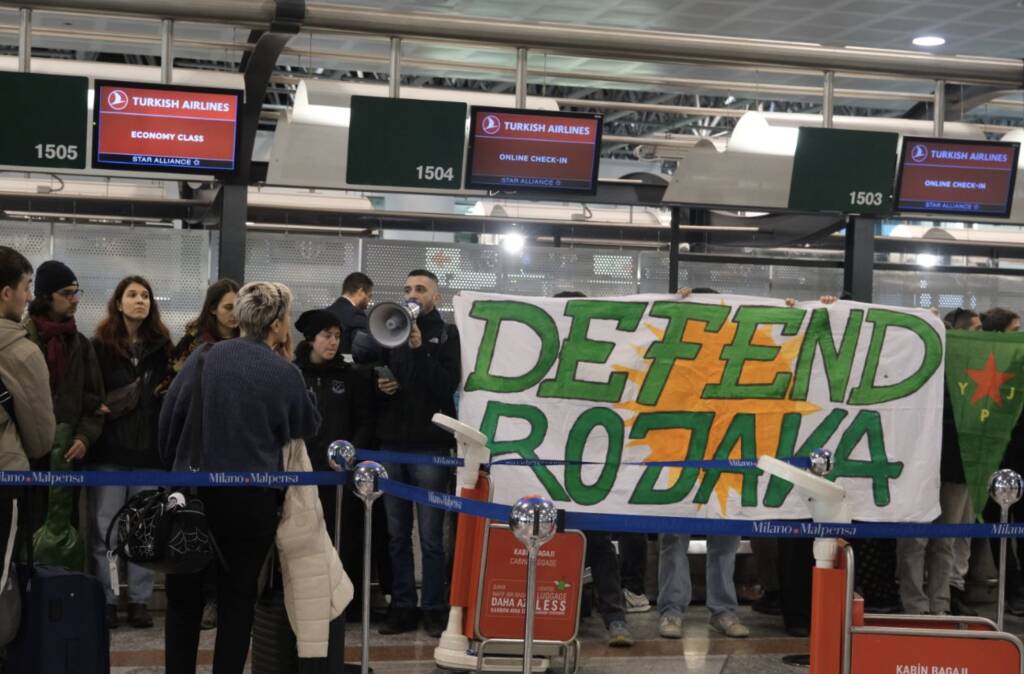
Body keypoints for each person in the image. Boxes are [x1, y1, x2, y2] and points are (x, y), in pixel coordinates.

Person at [158, 281, 321, 674]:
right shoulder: (284, 373)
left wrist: (176, 468)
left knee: (183, 601)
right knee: (238, 600)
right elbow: (307, 424)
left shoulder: (203, 357)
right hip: (251, 502)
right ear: (278, 323)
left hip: (191, 493)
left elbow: (168, 422)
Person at [658, 287, 748, 639]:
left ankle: (722, 610)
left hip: (725, 455)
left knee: (725, 539)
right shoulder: (676, 352)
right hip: (678, 454)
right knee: (673, 538)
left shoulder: (736, 352)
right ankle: (671, 610)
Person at [375, 269, 459, 638]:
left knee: (430, 536)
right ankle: (403, 605)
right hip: (392, 443)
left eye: (421, 289)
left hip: (430, 446)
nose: (412, 293)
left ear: (435, 298)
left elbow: (446, 386)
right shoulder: (389, 329)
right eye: (407, 287)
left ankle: (434, 607)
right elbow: (370, 372)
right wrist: (380, 384)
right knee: (396, 535)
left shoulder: (448, 335)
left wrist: (420, 348)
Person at [87, 276, 172, 629]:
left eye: (146, 295)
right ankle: (107, 598)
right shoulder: (99, 346)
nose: (140, 300)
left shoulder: (164, 348)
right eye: (132, 295)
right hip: (109, 450)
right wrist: (99, 407)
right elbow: (87, 392)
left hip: (150, 453)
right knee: (106, 529)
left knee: (143, 530)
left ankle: (138, 600)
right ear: (118, 302)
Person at [164, 278, 240, 631]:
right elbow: (170, 403)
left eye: (239, 307)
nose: (235, 314)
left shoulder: (249, 349)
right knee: (193, 534)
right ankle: (197, 602)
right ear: (212, 310)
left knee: (227, 538)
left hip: (235, 460)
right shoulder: (195, 348)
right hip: (194, 458)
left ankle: (219, 600)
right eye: (228, 307)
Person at [894, 307, 979, 617]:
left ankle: (939, 604)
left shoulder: (976, 370)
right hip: (917, 463)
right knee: (914, 540)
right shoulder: (923, 364)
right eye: (972, 330)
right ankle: (914, 604)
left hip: (955, 466)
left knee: (945, 541)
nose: (978, 337)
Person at [293, 309, 375, 614]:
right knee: (304, 536)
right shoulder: (294, 374)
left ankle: (347, 603)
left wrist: (352, 453)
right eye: (327, 335)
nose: (333, 342)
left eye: (338, 336)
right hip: (302, 471)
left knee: (345, 536)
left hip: (340, 473)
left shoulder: (349, 377)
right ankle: (306, 598)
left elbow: (365, 420)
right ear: (311, 338)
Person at [23, 260, 104, 534]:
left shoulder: (80, 344)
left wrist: (84, 437)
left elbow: (94, 400)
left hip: (67, 454)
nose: (74, 300)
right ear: (46, 297)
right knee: (25, 527)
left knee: (63, 531)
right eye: (66, 293)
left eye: (76, 292)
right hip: (25, 454)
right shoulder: (21, 339)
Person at [0, 247, 55, 594]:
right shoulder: (23, 352)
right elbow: (40, 439)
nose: (30, 296)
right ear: (7, 293)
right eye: (26, 286)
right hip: (6, 476)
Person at [325, 272, 375, 362]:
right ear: (361, 292)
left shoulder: (324, 312)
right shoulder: (356, 315)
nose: (369, 301)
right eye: (369, 296)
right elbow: (362, 352)